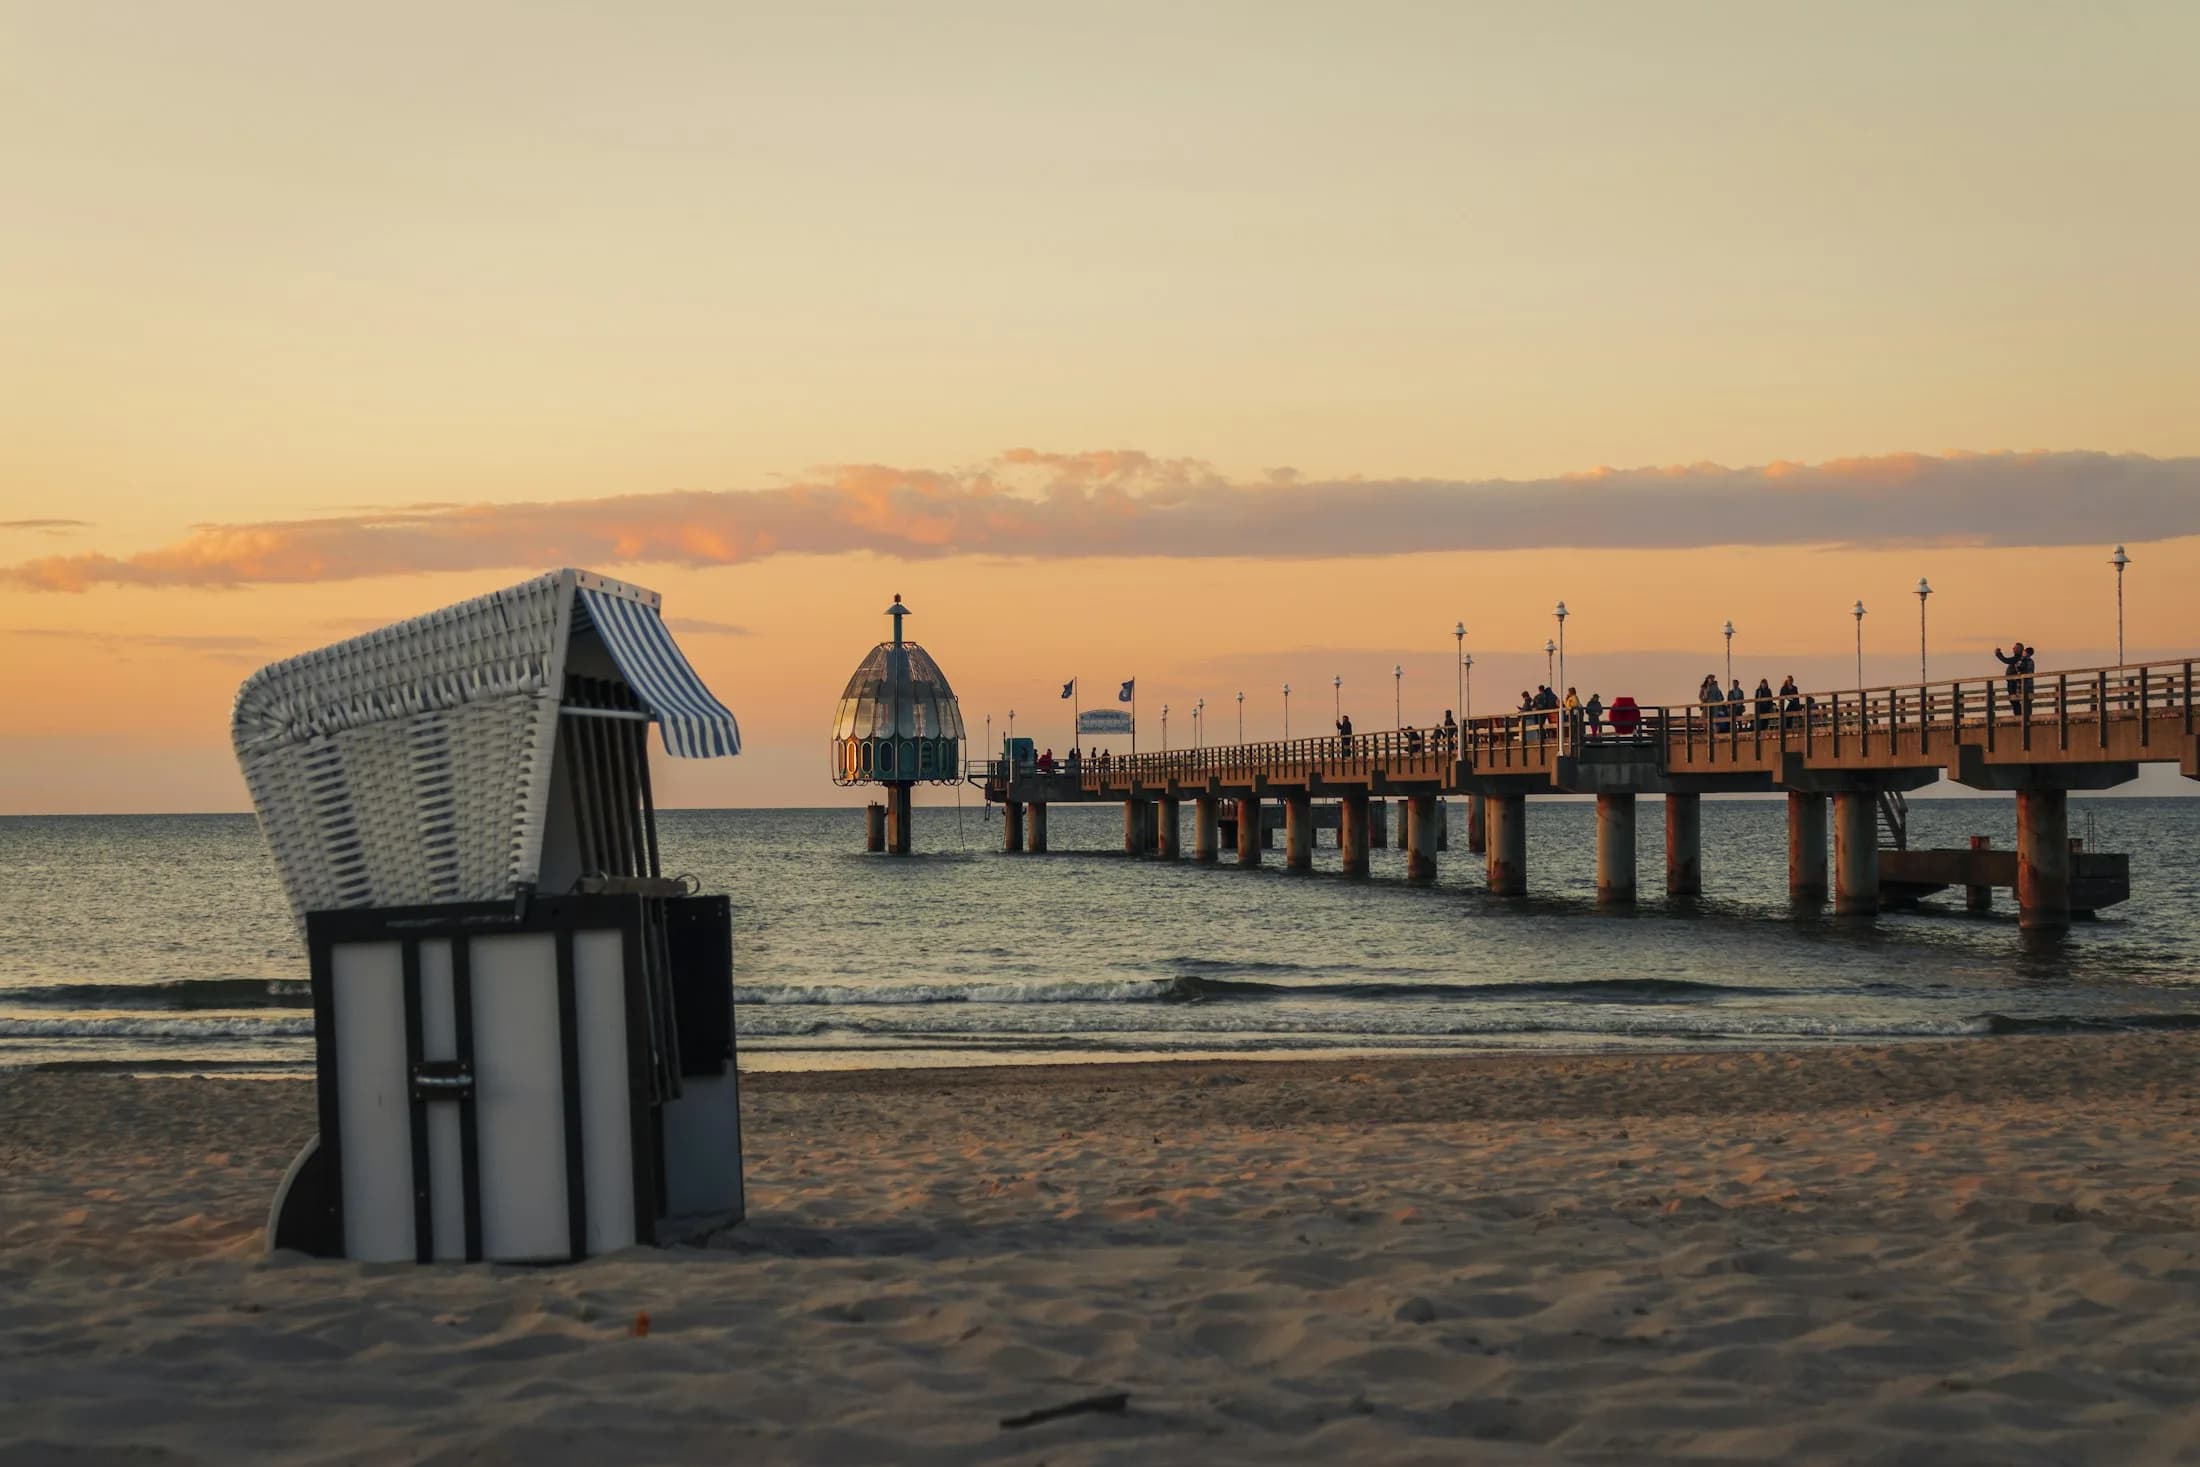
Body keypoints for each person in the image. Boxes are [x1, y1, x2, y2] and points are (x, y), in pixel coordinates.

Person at [1994, 642, 2026, 712]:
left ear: (2019, 649)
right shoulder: (2018, 658)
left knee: (2014, 699)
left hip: (2013, 682)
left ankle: (2019, 716)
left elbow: (2006, 660)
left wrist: (1998, 654)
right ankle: (2019, 716)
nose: (2013, 649)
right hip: (2011, 681)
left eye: (2015, 648)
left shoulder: (2017, 658)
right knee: (2013, 700)